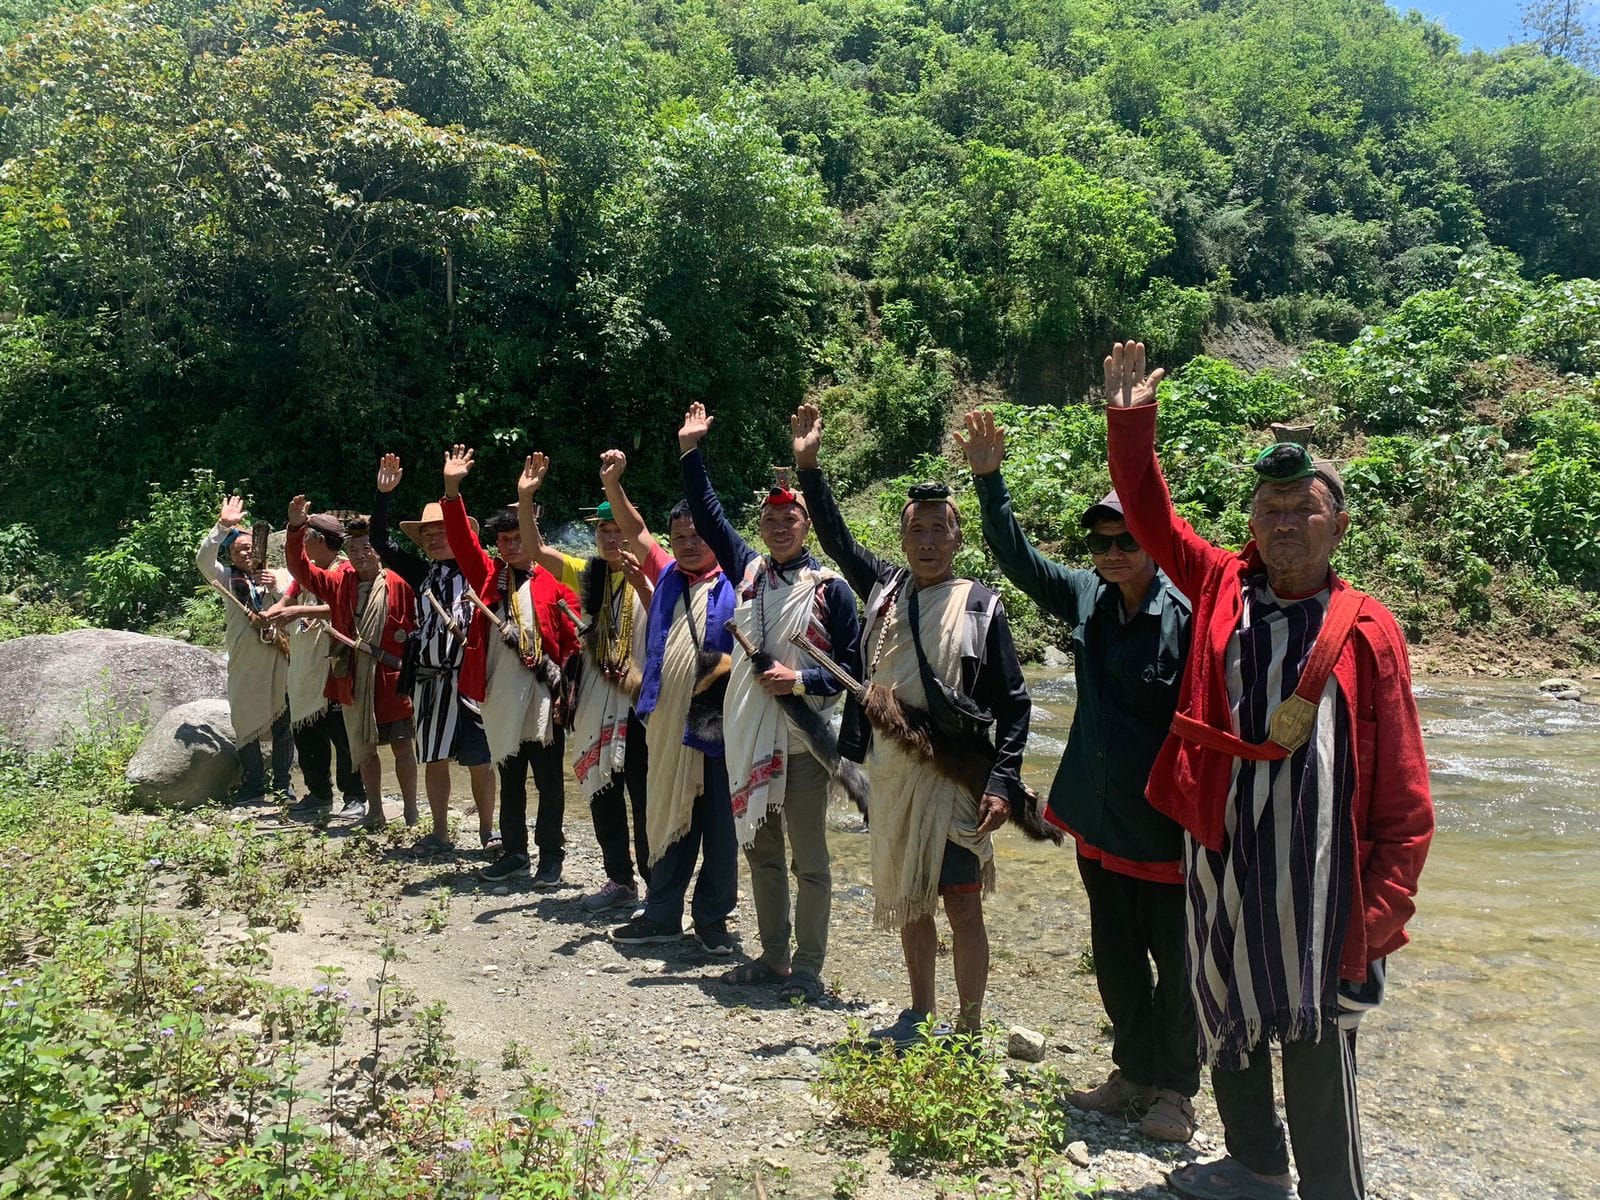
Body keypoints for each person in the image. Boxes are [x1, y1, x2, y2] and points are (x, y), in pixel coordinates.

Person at [1103, 340, 1434, 1200]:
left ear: (1339, 524)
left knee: (1319, 1049)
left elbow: (1403, 791)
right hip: (1220, 862)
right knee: (1228, 1019)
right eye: (1270, 508)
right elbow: (1146, 513)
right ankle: (1254, 1164)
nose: (1284, 523)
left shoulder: (1369, 630)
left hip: (1322, 891)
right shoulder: (1218, 584)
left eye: (1303, 509)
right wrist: (1131, 426)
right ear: (1251, 520)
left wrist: (1384, 909)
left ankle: (1332, 1191)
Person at [957, 409, 1199, 1141]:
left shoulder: (1187, 617)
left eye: (1130, 540)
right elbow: (1020, 562)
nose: (1115, 551)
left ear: (1155, 543)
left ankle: (1178, 1092)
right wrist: (990, 484)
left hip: (1165, 831)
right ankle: (1131, 1073)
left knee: (1178, 968)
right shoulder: (1088, 596)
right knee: (1117, 960)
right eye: (1103, 542)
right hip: (1097, 821)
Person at [794, 403, 1030, 1043]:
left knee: (962, 900)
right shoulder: (884, 590)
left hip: (953, 776)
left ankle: (972, 1023)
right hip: (894, 772)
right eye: (917, 531)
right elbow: (838, 540)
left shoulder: (981, 606)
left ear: (957, 538)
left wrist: (1003, 783)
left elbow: (1014, 704)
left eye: (939, 530)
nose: (927, 541)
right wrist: (809, 469)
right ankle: (921, 1013)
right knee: (910, 899)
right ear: (903, 541)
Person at [675, 402, 862, 1003]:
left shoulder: (830, 590)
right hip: (749, 735)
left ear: (807, 524)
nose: (781, 526)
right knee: (760, 850)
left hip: (805, 740)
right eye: (771, 518)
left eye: (792, 517)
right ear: (762, 526)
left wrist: (801, 680)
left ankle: (809, 967)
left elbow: (854, 676)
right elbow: (706, 513)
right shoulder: (750, 571)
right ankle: (775, 957)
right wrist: (691, 451)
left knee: (809, 858)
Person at [601, 448, 739, 955]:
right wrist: (614, 485)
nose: (687, 543)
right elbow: (635, 531)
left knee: (721, 829)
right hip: (665, 724)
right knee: (666, 815)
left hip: (719, 725)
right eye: (679, 536)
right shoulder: (665, 578)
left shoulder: (739, 581)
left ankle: (712, 921)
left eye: (697, 534)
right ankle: (661, 914)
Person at [518, 452, 654, 912]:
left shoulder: (656, 571)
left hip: (640, 701)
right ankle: (619, 880)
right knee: (602, 788)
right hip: (598, 697)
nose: (611, 536)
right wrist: (525, 496)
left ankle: (658, 887)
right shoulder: (589, 572)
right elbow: (537, 552)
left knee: (645, 795)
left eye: (617, 528)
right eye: (603, 531)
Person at [437, 446, 580, 886]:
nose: (512, 545)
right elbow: (461, 539)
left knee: (550, 783)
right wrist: (452, 488)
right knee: (511, 777)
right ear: (497, 545)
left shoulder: (556, 582)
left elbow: (575, 643)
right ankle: (515, 853)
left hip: (543, 696)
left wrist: (568, 693)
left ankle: (550, 857)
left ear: (532, 536)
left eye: (519, 537)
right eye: (504, 540)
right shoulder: (487, 577)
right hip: (499, 696)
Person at [371, 454, 497, 855]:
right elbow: (379, 543)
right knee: (434, 756)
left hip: (471, 677)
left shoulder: (483, 570)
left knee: (480, 757)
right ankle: (440, 832)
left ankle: (488, 833)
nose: (433, 539)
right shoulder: (421, 573)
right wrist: (383, 497)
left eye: (442, 531)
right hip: (429, 678)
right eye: (427, 534)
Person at [285, 502, 420, 830]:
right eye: (354, 547)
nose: (361, 553)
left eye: (367, 547)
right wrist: (295, 529)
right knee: (363, 750)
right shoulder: (339, 583)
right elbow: (300, 568)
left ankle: (412, 810)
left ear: (378, 551)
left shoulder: (398, 584)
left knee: (403, 747)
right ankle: (374, 809)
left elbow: (413, 632)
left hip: (392, 678)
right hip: (354, 678)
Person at [265, 513, 367, 821]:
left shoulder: (347, 570)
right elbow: (286, 600)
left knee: (342, 734)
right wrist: (272, 612)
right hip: (305, 663)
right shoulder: (305, 574)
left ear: (320, 541)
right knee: (307, 731)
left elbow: (344, 604)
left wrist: (298, 611)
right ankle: (319, 793)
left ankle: (354, 795)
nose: (303, 544)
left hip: (334, 663)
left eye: (306, 538)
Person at [196, 494, 293, 804]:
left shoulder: (279, 576)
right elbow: (203, 561)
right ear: (232, 554)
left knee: (283, 720)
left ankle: (282, 785)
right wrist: (222, 527)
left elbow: (297, 602)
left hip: (278, 657)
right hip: (246, 660)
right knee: (243, 717)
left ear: (261, 549)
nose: (245, 553)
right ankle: (254, 783)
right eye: (238, 550)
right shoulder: (226, 577)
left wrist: (275, 587)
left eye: (250, 548)